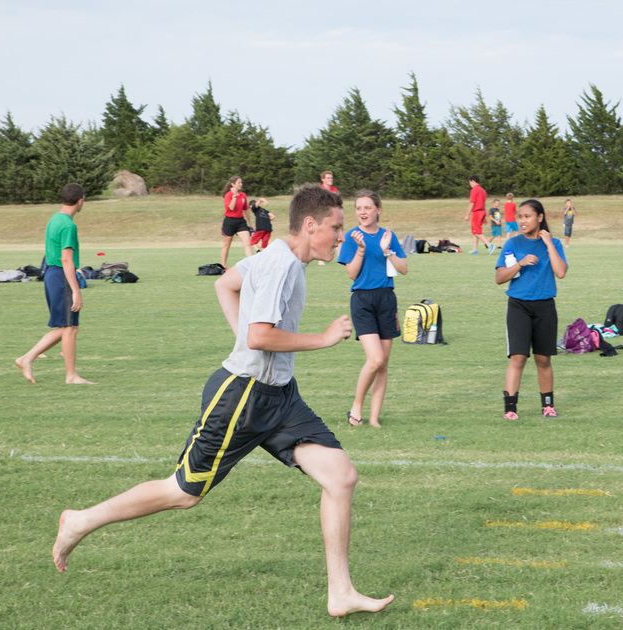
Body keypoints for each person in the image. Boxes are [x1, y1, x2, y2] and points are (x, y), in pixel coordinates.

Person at [52, 184, 394, 618]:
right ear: (310, 226)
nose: (342, 237)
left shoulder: (276, 257)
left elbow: (225, 285)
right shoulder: (281, 266)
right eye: (336, 228)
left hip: (280, 396)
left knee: (341, 476)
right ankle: (80, 520)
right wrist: (322, 339)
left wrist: (248, 342)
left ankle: (340, 593)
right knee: (183, 492)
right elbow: (259, 335)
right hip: (244, 396)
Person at [338, 190, 407, 428]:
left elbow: (404, 268)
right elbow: (351, 273)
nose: (362, 212)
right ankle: (356, 407)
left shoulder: (389, 235)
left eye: (367, 207)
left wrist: (388, 250)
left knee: (384, 363)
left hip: (387, 299)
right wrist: (360, 248)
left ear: (378, 210)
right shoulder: (352, 236)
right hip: (363, 301)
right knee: (375, 358)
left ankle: (375, 418)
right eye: (358, 208)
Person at [495, 199, 567, 419]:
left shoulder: (553, 243)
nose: (522, 221)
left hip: (545, 306)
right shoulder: (512, 244)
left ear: (540, 218)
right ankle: (510, 409)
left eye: (527, 216)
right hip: (518, 306)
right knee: (518, 358)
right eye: (520, 216)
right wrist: (520, 263)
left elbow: (561, 272)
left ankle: (548, 405)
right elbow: (499, 278)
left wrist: (549, 245)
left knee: (543, 359)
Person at [15, 183, 94, 385]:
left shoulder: (55, 218)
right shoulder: (68, 225)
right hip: (61, 277)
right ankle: (71, 376)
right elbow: (66, 259)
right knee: (69, 328)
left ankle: (27, 359)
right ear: (80, 200)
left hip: (52, 274)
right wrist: (76, 290)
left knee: (68, 327)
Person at [219, 176, 253, 269]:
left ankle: (251, 265)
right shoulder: (228, 195)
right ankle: (224, 267)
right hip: (229, 221)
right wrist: (234, 195)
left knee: (247, 243)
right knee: (226, 246)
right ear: (233, 184)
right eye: (239, 183)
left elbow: (246, 210)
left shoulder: (243, 195)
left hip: (240, 222)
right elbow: (231, 207)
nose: (241, 184)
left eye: (241, 182)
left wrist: (250, 224)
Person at [463, 175, 489, 254]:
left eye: (470, 182)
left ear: (473, 181)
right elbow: (483, 203)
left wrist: (467, 214)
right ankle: (475, 249)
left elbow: (472, 203)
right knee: (474, 231)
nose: (470, 184)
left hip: (476, 212)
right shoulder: (483, 190)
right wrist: (484, 217)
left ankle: (489, 245)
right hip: (482, 211)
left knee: (477, 232)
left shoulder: (474, 190)